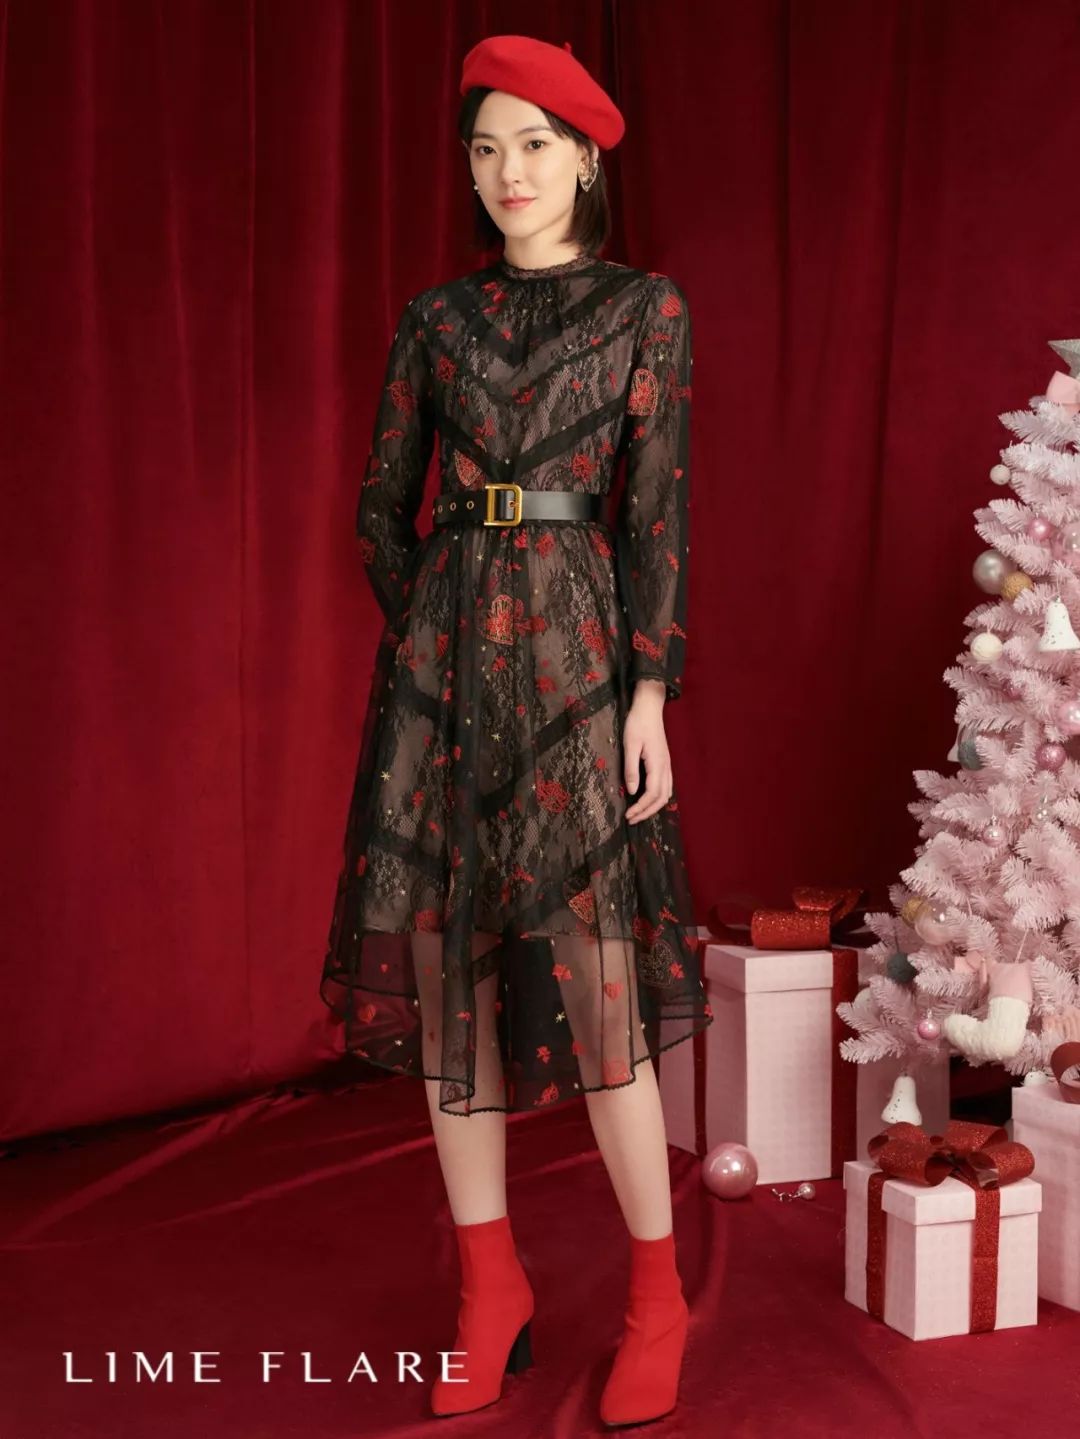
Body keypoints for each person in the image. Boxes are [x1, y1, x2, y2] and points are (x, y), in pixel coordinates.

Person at [320, 32, 713, 1428]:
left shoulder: (645, 308)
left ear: (585, 158)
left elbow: (655, 512)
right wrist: (437, 626)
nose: (508, 174)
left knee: (600, 991)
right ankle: (492, 1293)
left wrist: (646, 693)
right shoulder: (435, 319)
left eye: (534, 145)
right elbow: (381, 507)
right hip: (443, 692)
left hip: (578, 671)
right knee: (449, 988)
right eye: (486, 149)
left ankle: (656, 1299)